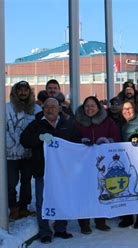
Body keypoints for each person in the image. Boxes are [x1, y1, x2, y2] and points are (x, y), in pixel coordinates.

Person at [20, 98, 80, 244]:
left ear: (59, 108)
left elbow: (76, 142)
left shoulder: (68, 124)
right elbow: (24, 140)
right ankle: (45, 231)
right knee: (42, 201)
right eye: (46, 106)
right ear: (43, 109)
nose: (50, 109)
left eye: (53, 106)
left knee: (62, 198)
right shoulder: (36, 124)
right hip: (43, 170)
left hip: (63, 170)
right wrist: (39, 138)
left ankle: (60, 228)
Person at [74, 96, 121, 234]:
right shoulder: (77, 122)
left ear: (98, 107)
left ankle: (101, 221)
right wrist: (79, 141)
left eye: (92, 106)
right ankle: (84, 223)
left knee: (101, 190)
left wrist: (107, 141)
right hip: (82, 165)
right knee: (84, 193)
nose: (89, 108)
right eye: (87, 106)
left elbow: (116, 137)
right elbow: (70, 138)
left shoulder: (108, 121)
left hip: (102, 163)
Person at [6, 81, 41, 220]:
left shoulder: (36, 109)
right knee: (11, 182)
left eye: (25, 90)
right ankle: (13, 207)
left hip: (29, 153)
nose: (22, 93)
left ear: (29, 92)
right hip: (11, 153)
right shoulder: (6, 108)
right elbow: (3, 128)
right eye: (19, 90)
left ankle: (23, 207)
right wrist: (12, 145)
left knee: (26, 182)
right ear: (15, 92)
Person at [118, 100, 138, 229]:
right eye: (124, 109)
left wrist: (137, 138)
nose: (127, 111)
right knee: (124, 188)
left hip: (137, 160)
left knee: (137, 187)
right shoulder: (120, 124)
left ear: (135, 110)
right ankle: (127, 216)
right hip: (122, 160)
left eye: (129, 108)